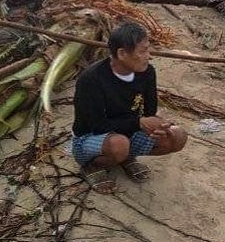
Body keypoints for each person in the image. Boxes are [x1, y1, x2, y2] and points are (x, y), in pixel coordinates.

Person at [71, 23, 188, 194]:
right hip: (88, 140)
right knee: (119, 144)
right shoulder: (91, 79)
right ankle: (93, 166)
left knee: (177, 136)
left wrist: (158, 125)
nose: (148, 56)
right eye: (142, 51)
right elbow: (96, 126)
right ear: (122, 53)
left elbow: (149, 111)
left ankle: (124, 158)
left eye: (148, 50)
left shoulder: (147, 72)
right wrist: (139, 123)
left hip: (128, 132)